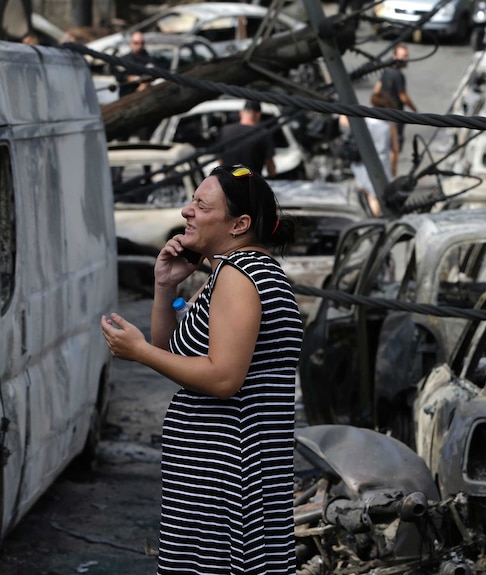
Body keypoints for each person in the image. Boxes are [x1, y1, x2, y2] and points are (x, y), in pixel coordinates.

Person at [101, 165, 302, 575]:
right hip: (221, 473)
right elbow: (173, 355)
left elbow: (224, 379)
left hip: (227, 477)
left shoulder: (240, 275)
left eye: (200, 205)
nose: (186, 211)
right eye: (192, 202)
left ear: (239, 224)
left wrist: (137, 352)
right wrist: (166, 287)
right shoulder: (241, 273)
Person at [340, 91, 399, 216]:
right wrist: (394, 167)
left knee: (365, 192)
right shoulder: (389, 123)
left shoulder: (364, 119)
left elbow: (343, 121)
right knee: (375, 196)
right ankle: (372, 220)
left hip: (362, 162)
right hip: (381, 163)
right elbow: (395, 148)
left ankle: (366, 217)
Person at [373, 43, 417, 153]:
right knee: (395, 147)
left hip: (383, 113)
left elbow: (377, 89)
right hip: (396, 116)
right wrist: (414, 110)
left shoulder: (386, 70)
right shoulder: (398, 75)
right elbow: (403, 97)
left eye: (406, 55)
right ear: (395, 57)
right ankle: (392, 170)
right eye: (403, 56)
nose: (405, 59)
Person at [217, 100, 278, 178]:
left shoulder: (225, 130)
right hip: (250, 184)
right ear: (258, 115)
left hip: (228, 183)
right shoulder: (263, 134)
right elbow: (271, 167)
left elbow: (220, 160)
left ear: (241, 113)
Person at [117, 31, 155, 97]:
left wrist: (145, 83)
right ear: (131, 43)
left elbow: (153, 73)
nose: (139, 46)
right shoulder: (124, 60)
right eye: (136, 43)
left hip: (145, 95)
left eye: (142, 43)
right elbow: (119, 76)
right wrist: (131, 78)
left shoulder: (149, 60)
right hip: (127, 95)